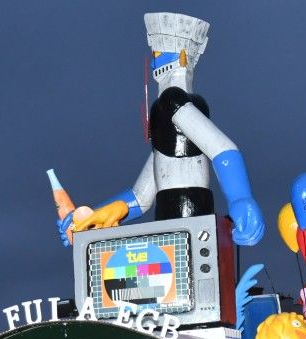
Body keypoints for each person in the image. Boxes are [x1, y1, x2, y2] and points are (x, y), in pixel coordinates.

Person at [61, 13, 264, 248]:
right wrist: (90, 217)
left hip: (185, 217)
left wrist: (240, 198)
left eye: (157, 55)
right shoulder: (172, 114)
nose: (154, 63)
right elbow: (140, 197)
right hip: (176, 218)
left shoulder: (171, 100)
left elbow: (222, 148)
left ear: (180, 56)